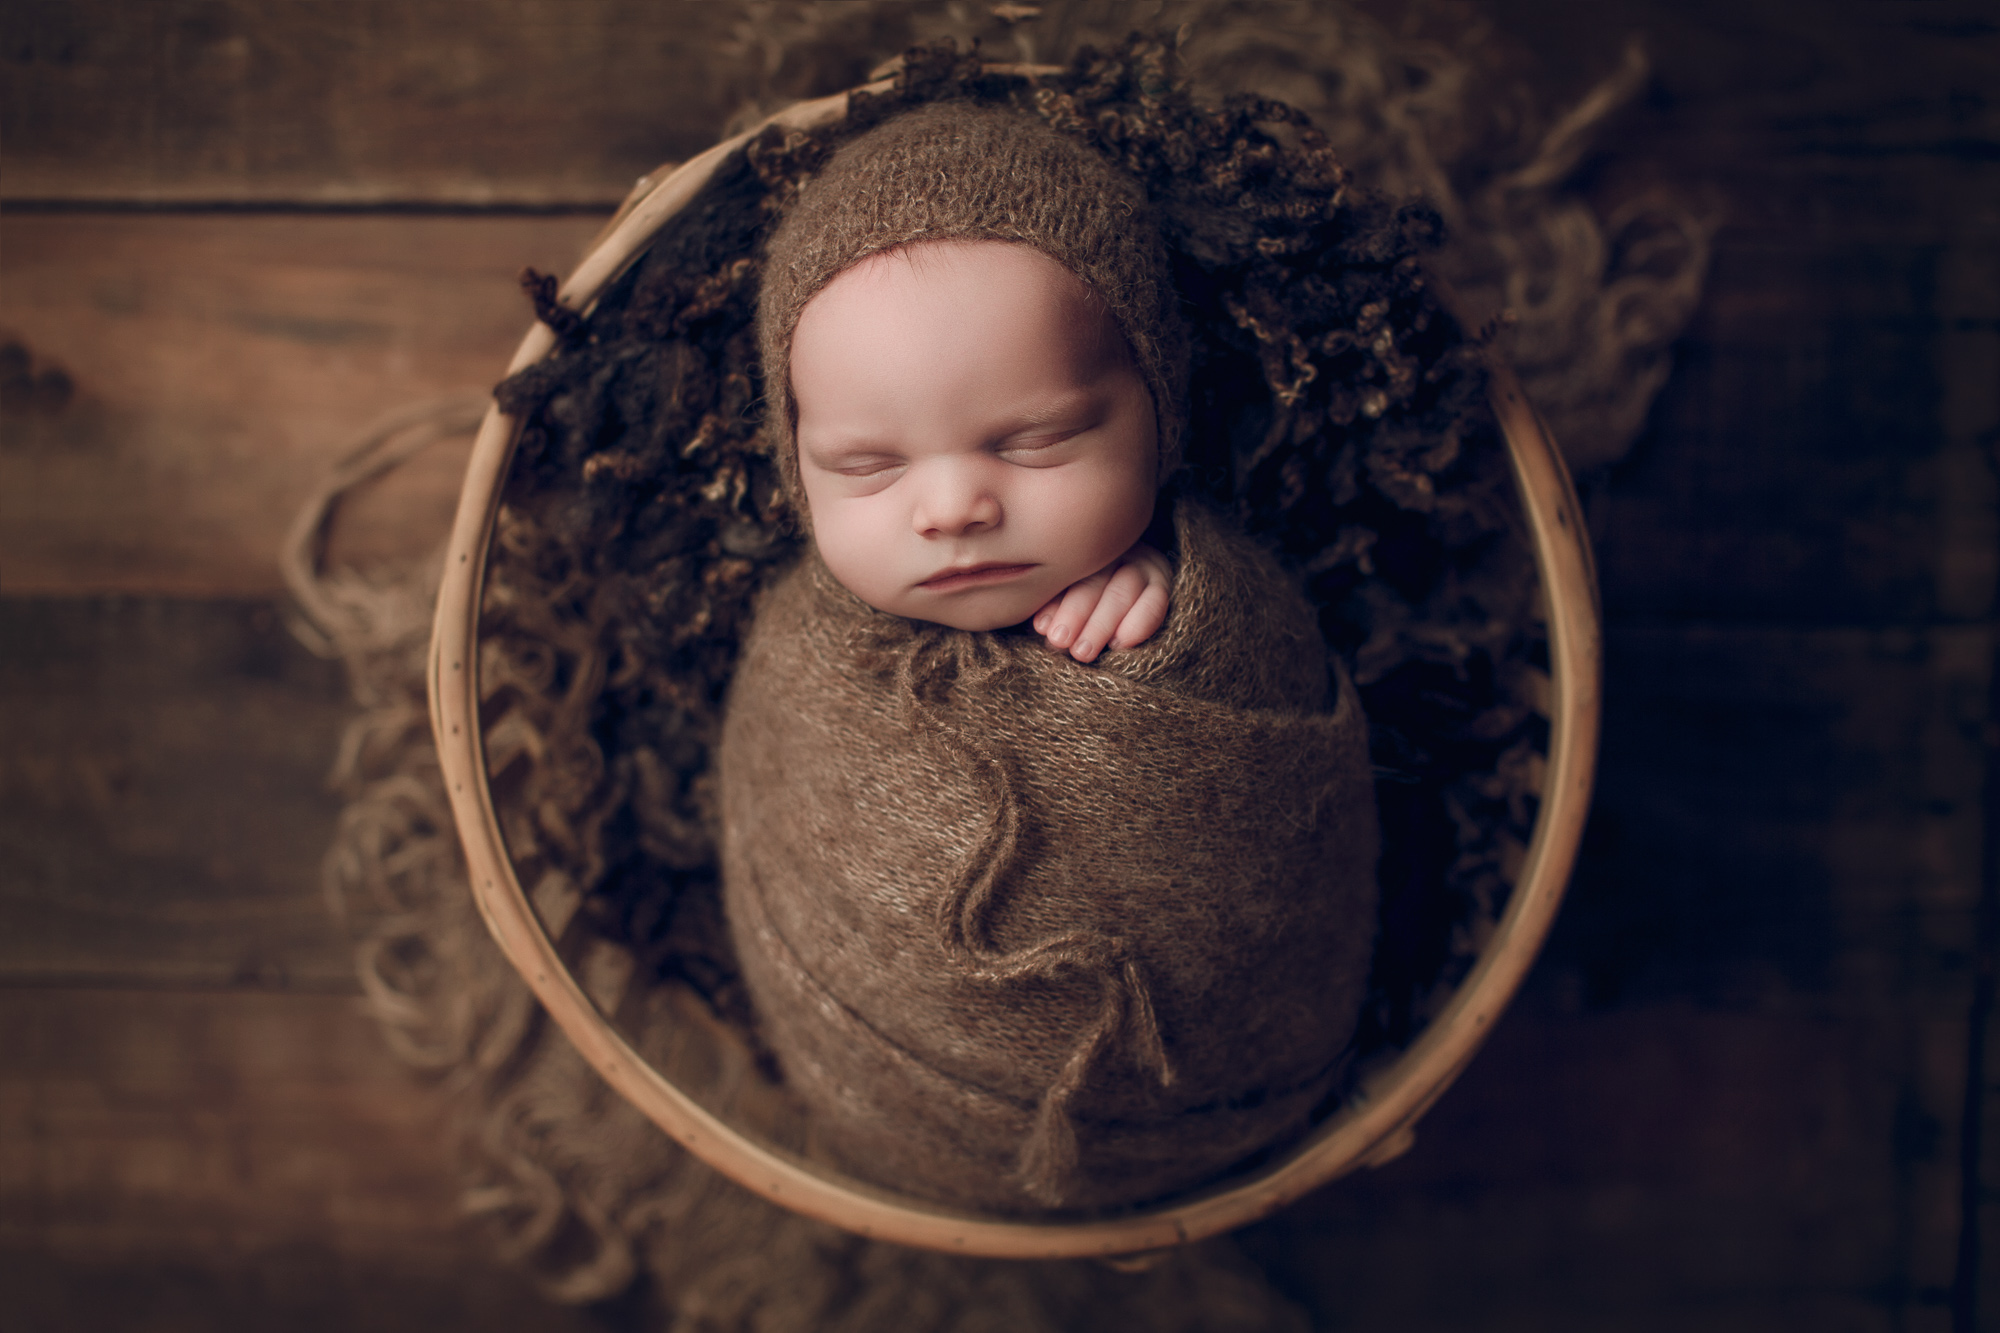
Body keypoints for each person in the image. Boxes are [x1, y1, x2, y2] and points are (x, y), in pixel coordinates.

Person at [722, 99, 1379, 1214]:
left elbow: (1280, 795)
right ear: (796, 468)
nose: (952, 505)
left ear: (1158, 415)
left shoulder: (1195, 596)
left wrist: (1183, 611)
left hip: (1224, 1094)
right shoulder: (799, 646)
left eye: (1033, 441)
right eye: (866, 467)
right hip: (886, 1116)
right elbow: (779, 812)